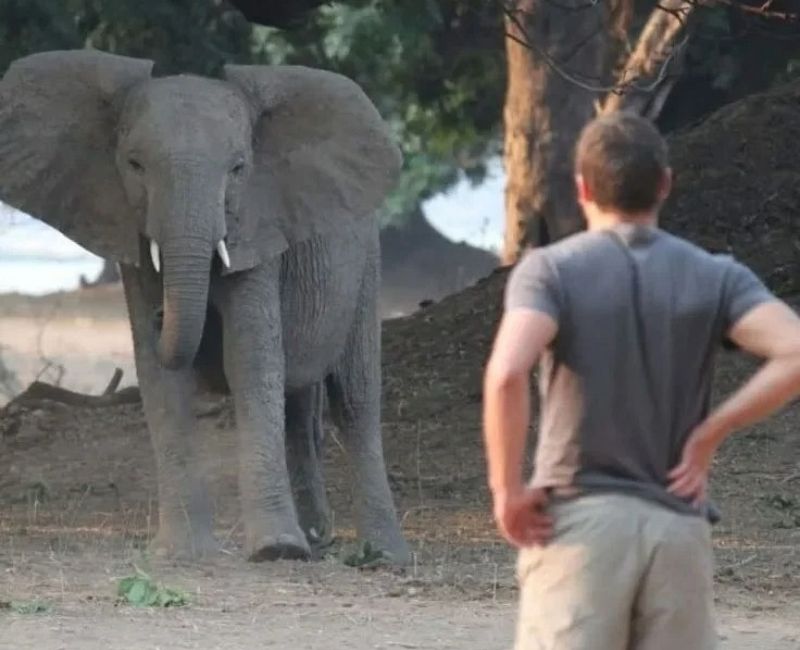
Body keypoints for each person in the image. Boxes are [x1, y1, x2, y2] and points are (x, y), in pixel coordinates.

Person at [482, 111, 800, 650]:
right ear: (665, 184)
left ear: (581, 188)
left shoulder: (550, 271)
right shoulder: (715, 274)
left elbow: (508, 372)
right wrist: (709, 435)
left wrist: (507, 490)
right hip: (678, 530)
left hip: (580, 530)